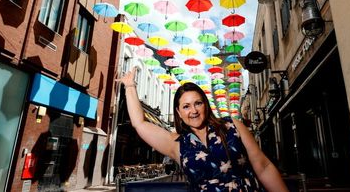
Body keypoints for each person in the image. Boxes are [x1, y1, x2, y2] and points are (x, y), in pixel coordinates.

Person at [116, 67, 288, 192]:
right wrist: (130, 86)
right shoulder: (177, 144)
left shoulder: (232, 126)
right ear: (179, 112)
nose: (194, 111)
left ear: (205, 104)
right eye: (186, 106)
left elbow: (263, 167)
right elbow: (140, 123)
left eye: (198, 103)